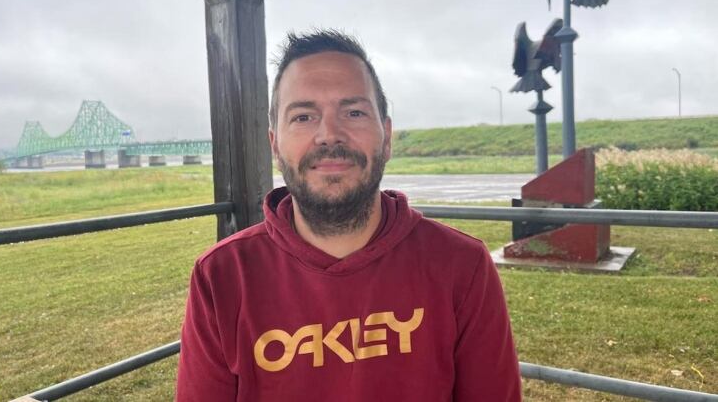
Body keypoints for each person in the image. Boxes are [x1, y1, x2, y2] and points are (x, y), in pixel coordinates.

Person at [176, 30, 521, 401]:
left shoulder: (462, 266)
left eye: (353, 112)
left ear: (386, 138)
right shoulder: (222, 276)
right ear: (275, 144)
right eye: (304, 116)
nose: (329, 135)